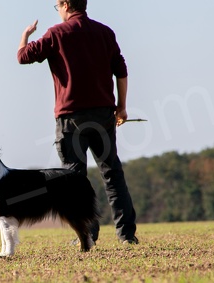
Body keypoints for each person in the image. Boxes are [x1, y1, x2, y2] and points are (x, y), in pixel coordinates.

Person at [17, 0, 138, 245]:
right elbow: (121, 71)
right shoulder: (105, 32)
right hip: (103, 115)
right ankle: (126, 236)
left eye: (57, 6)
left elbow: (22, 57)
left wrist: (25, 35)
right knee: (112, 174)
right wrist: (122, 107)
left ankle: (88, 235)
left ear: (65, 5)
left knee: (74, 179)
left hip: (70, 119)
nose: (57, 10)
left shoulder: (56, 34)